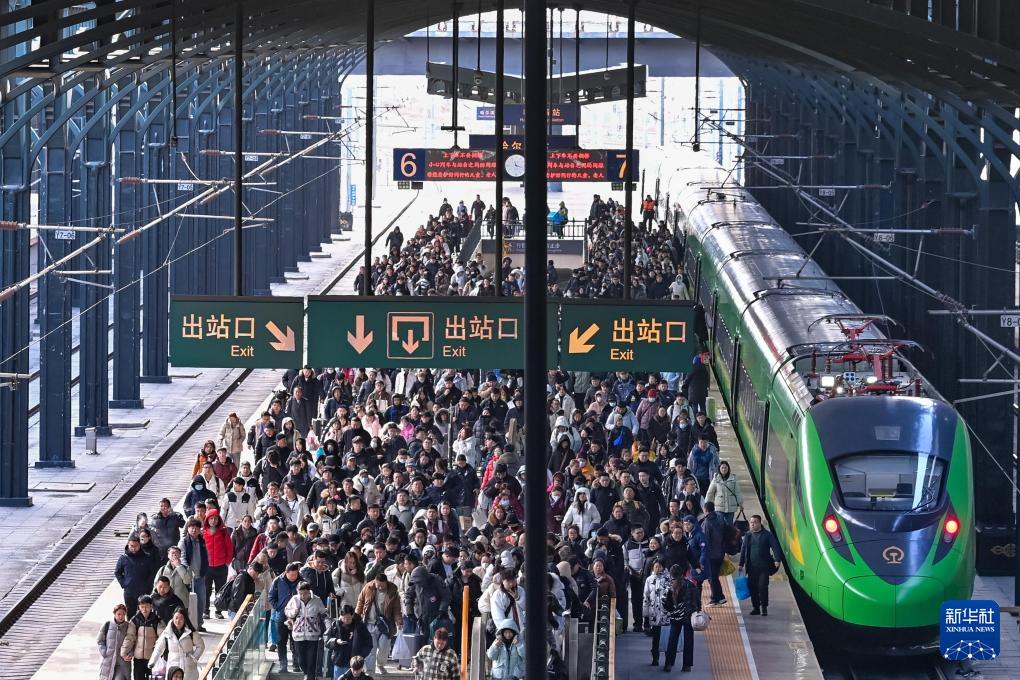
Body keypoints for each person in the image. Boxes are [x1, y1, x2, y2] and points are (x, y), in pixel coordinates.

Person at [738, 514, 782, 616]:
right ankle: (756, 608)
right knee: (753, 588)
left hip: (764, 568)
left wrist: (777, 560)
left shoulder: (767, 535)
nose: (752, 524)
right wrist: (741, 564)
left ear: (759, 523)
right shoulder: (748, 535)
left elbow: (775, 547)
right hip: (751, 567)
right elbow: (743, 550)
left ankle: (764, 607)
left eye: (755, 522)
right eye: (751, 522)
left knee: (762, 587)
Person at [286, 581, 328, 680]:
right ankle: (306, 673)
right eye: (300, 593)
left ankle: (310, 677)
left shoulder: (317, 600)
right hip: (298, 635)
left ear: (309, 592)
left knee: (311, 660)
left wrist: (327, 625)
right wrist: (293, 612)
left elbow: (324, 613)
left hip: (313, 635)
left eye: (305, 593)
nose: (302, 596)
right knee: (301, 661)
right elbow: (286, 611)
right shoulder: (294, 599)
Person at [149, 608, 205, 680]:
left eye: (181, 618)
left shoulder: (191, 632)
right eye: (176, 618)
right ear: (173, 618)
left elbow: (201, 646)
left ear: (185, 619)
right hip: (173, 667)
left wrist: (194, 658)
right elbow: (159, 648)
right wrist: (152, 661)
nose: (178, 621)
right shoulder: (167, 633)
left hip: (188, 668)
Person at [661, 565, 698, 673]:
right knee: (689, 640)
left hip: (675, 617)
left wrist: (672, 610)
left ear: (671, 574)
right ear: (683, 573)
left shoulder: (669, 586)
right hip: (688, 616)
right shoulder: (690, 584)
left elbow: (665, 603)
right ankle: (687, 665)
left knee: (672, 640)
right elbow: (696, 599)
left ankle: (669, 664)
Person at [324, 604, 373, 680]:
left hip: (355, 664)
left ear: (352, 616)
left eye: (349, 618)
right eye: (344, 618)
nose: (346, 620)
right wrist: (336, 641)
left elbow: (369, 643)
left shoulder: (359, 626)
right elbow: (326, 639)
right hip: (339, 661)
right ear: (340, 616)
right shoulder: (335, 625)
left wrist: (361, 656)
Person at [270, 562, 303, 672]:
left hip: (297, 618)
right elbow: (271, 596)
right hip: (282, 616)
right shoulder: (278, 581)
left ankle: (296, 665)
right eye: (291, 575)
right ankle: (283, 665)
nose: (294, 577)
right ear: (286, 572)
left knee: (296, 641)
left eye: (296, 574)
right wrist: (278, 607)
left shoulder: (302, 581)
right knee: (281, 642)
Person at [121, 595, 164, 680]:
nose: (144, 609)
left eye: (147, 607)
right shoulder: (135, 620)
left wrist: (158, 653)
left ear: (151, 606)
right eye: (142, 607)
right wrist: (124, 652)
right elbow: (130, 637)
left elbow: (162, 637)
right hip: (138, 659)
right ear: (139, 607)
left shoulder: (157, 620)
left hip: (152, 658)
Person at [642, 559, 671, 666]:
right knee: (656, 637)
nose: (657, 568)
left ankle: (668, 661)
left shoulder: (668, 579)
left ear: (663, 567)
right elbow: (646, 597)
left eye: (659, 566)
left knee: (667, 638)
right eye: (655, 567)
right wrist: (645, 614)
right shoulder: (649, 579)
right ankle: (655, 658)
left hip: (666, 613)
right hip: (654, 613)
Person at [115, 537, 152, 619]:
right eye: (131, 546)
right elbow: (117, 572)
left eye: (136, 546)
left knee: (144, 613)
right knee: (130, 614)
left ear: (140, 545)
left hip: (143, 592)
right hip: (129, 592)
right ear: (128, 545)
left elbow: (152, 573)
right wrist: (124, 584)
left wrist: (148, 586)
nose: (133, 548)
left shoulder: (147, 557)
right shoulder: (123, 558)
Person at [700, 502, 727, 607]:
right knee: (714, 576)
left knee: (712, 577)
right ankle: (720, 597)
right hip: (720, 552)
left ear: (705, 510)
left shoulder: (707, 522)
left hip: (711, 554)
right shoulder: (720, 518)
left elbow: (705, 539)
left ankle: (714, 599)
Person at [97, 603, 131, 680]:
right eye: (119, 614)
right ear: (114, 614)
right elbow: (100, 640)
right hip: (108, 661)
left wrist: (129, 655)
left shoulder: (129, 626)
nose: (121, 616)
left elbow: (132, 642)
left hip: (122, 664)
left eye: (123, 614)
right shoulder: (107, 625)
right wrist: (104, 652)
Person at [704, 461, 742, 526]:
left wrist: (740, 503)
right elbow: (710, 493)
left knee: (729, 525)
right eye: (722, 468)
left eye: (725, 468)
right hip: (719, 508)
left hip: (730, 508)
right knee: (719, 525)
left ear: (728, 468)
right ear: (719, 469)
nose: (724, 469)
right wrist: (706, 505)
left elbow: (737, 492)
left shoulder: (733, 478)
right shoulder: (716, 479)